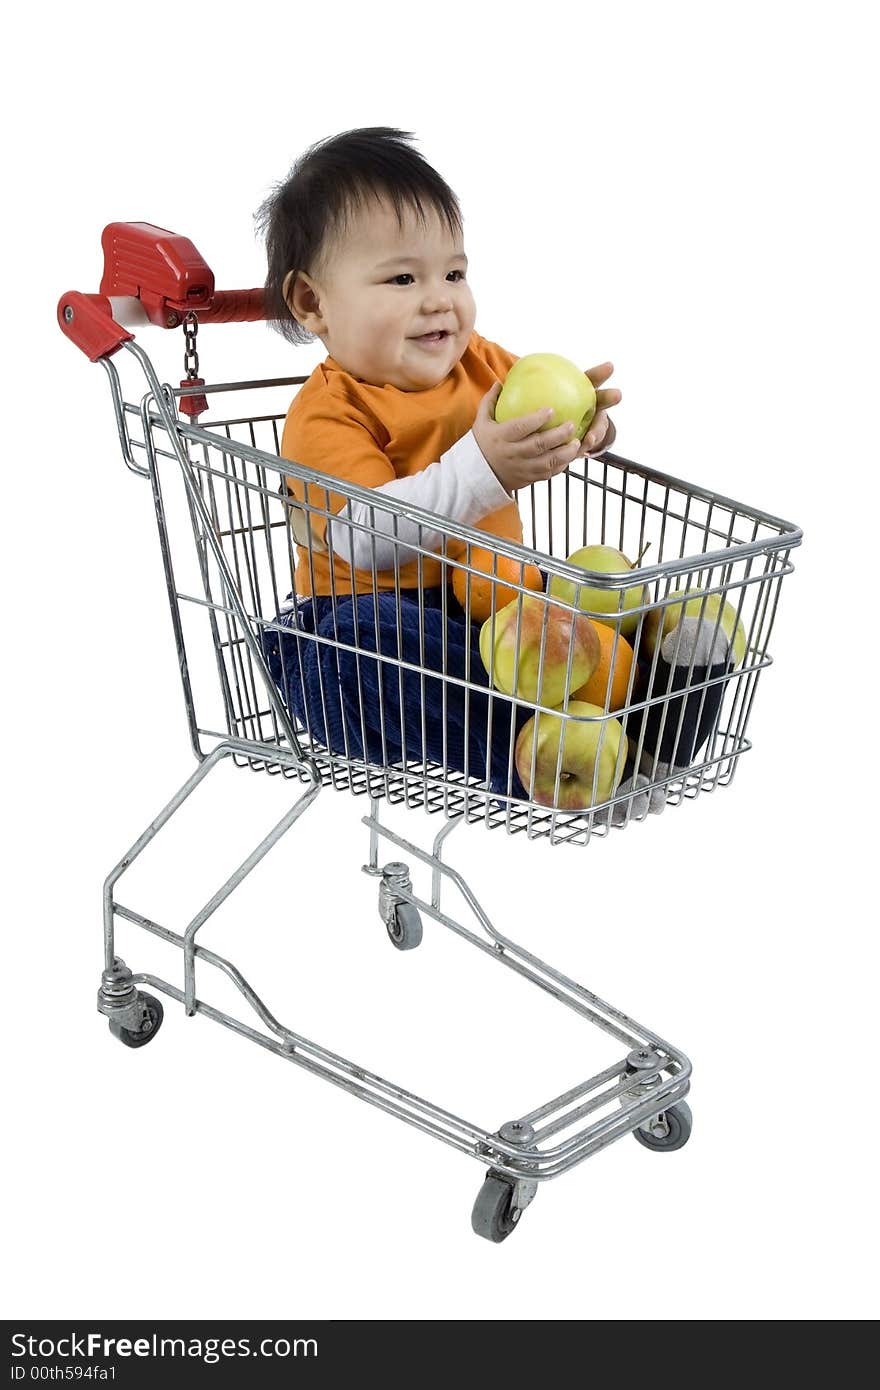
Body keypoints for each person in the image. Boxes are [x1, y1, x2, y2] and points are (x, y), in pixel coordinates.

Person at [257, 127, 620, 800]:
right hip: (367, 628)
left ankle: (645, 713)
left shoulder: (482, 362)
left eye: (454, 273)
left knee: (585, 617)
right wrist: (486, 466)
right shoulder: (326, 414)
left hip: (493, 613)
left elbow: (545, 427)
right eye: (402, 278)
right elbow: (364, 541)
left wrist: (585, 430)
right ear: (311, 303)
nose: (439, 299)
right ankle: (535, 755)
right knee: (361, 642)